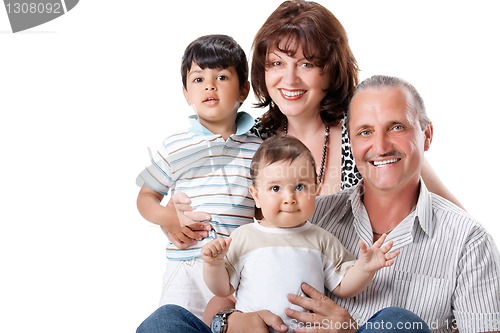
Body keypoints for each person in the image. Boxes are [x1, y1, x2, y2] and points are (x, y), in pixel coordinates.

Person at [136, 74, 500, 332]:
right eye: (365, 132)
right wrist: (230, 323)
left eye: (398, 127)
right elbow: (228, 291)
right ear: (351, 142)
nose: (381, 145)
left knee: (395, 323)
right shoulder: (313, 214)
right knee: (166, 320)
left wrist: (351, 329)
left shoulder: (468, 241)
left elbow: (347, 280)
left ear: (427, 135)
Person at [201, 136, 400, 332]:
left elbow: (344, 286)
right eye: (276, 188)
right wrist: (214, 264)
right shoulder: (243, 237)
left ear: (316, 189)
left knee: (396, 317)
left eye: (300, 187)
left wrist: (365, 268)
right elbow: (222, 289)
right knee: (171, 314)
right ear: (256, 196)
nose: (289, 198)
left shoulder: (321, 239)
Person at [135, 34, 262, 319]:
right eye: (198, 79)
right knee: (172, 321)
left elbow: (264, 208)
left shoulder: (259, 149)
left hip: (234, 267)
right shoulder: (175, 145)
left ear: (244, 90)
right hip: (185, 264)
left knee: (226, 323)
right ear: (186, 93)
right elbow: (146, 196)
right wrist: (166, 217)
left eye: (221, 77)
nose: (209, 86)